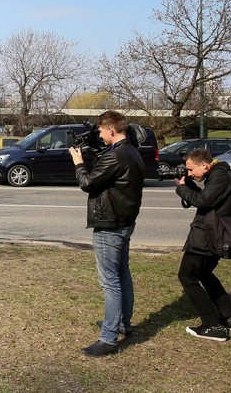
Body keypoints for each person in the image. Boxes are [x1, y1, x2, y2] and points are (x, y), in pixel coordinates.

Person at [69, 110, 145, 356]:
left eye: (101, 131)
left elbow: (88, 183)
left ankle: (109, 338)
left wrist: (79, 163)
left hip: (110, 225)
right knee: (122, 274)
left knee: (110, 282)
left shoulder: (117, 156)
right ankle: (121, 323)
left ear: (111, 130)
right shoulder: (131, 152)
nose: (100, 136)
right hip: (123, 222)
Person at [175, 148, 231, 341]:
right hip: (215, 234)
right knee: (204, 273)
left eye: (191, 170)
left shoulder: (220, 176)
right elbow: (211, 200)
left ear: (205, 165)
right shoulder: (220, 174)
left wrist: (182, 188)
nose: (189, 173)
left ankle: (213, 326)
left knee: (187, 276)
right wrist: (190, 186)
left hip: (208, 236)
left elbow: (203, 201)